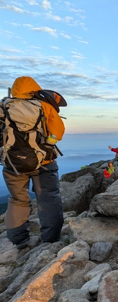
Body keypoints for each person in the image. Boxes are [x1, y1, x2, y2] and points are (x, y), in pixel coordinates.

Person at [0, 76, 66, 249]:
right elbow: (58, 131)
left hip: (13, 164)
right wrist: (48, 143)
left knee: (17, 200)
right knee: (48, 199)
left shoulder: (3, 106)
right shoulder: (44, 106)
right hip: (44, 161)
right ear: (34, 89)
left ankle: (19, 240)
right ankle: (50, 240)